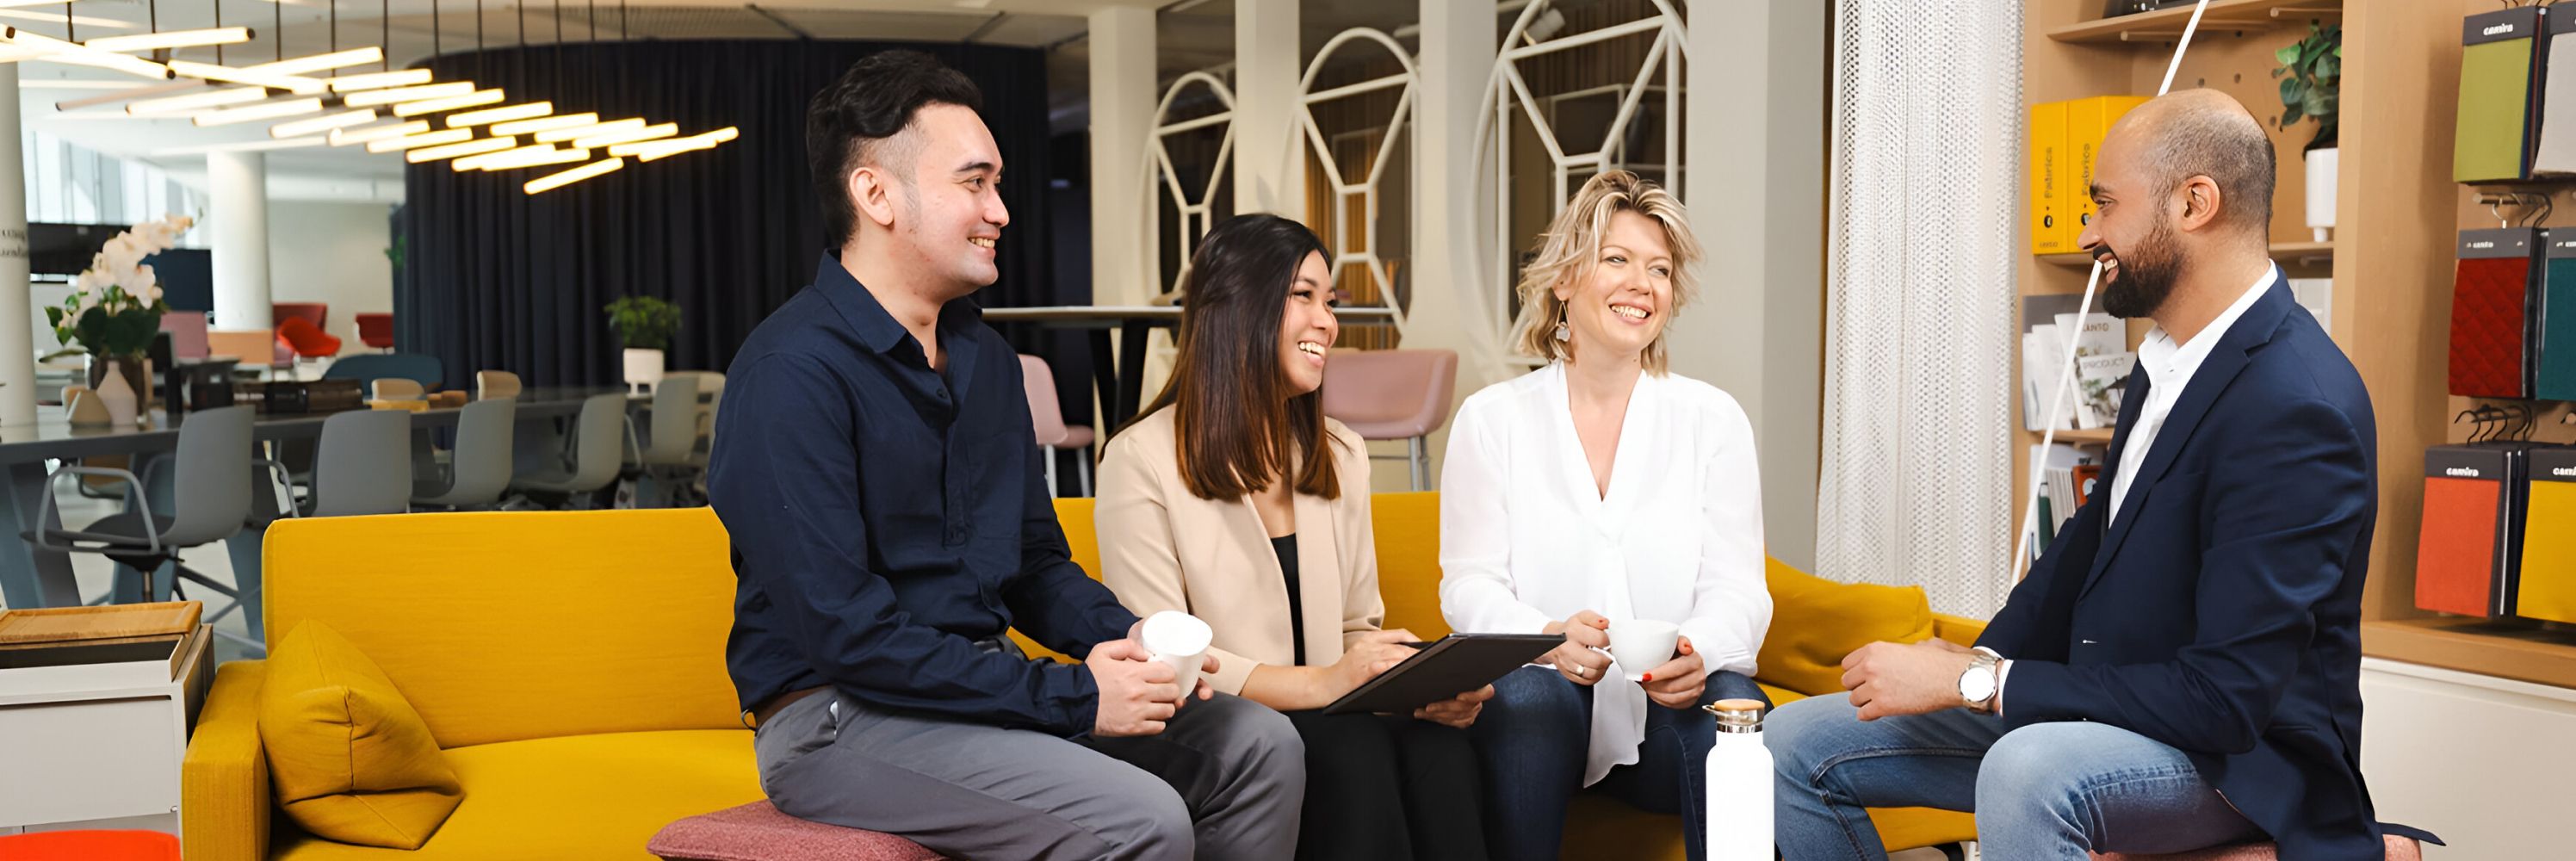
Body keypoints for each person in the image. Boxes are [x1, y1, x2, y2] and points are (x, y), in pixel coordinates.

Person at [1768, 90, 2439, 860]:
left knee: (2029, 771)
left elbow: (2224, 702)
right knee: (1790, 743)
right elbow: (2092, 540)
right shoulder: (2168, 359)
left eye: (2105, 205)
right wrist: (1976, 661)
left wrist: (1979, 688)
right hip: (2110, 716)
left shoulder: (2295, 406)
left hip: (2239, 760)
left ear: (2196, 203)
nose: (2088, 233)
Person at [707, 50, 1303, 861]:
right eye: (975, 183)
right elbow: (848, 638)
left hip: (979, 688)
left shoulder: (986, 362)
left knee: (1259, 746)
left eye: (997, 183)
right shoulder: (790, 374)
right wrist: (1075, 695)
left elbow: (1031, 564)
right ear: (876, 194)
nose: (1002, 210)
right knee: (1139, 818)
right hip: (838, 717)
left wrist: (1132, 642)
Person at [1096, 213, 1491, 861]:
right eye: (1303, 296)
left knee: (1439, 747)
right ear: (1236, 306)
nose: (1327, 323)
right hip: (1213, 726)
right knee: (1350, 747)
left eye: (1329, 302)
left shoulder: (1341, 451)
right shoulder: (1138, 459)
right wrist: (1325, 684)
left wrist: (1414, 688)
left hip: (1328, 713)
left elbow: (1357, 628)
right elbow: (1166, 664)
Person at [1438, 170, 1774, 861]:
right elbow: (1466, 586)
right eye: (1616, 259)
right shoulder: (1492, 420)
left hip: (1663, 721)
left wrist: (1699, 652)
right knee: (1532, 700)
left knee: (1733, 706)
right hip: (1537, 718)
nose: (1641, 284)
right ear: (1564, 279)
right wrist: (1544, 636)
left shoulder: (1713, 421)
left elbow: (1741, 589)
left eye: (1659, 269)